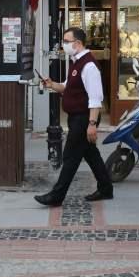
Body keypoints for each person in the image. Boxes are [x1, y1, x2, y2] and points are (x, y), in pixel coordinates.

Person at [34, 28, 113, 206]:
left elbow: (95, 98)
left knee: (70, 157)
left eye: (66, 41)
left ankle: (56, 196)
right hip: (77, 117)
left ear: (77, 43)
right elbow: (67, 87)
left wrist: (92, 124)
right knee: (91, 154)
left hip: (84, 118)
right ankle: (106, 188)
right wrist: (52, 84)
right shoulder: (76, 62)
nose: (64, 44)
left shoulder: (89, 65)